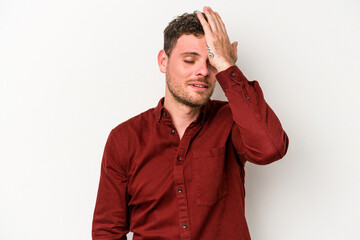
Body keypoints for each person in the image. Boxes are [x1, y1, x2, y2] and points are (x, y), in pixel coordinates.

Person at [92, 6, 289, 240]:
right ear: (163, 62)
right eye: (189, 60)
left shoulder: (233, 122)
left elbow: (271, 148)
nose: (203, 71)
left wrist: (227, 66)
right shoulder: (125, 139)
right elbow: (107, 232)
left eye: (212, 62)